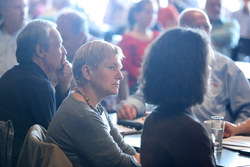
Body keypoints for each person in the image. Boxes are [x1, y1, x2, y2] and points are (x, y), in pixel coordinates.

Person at [117, 8, 250, 125]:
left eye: (206, 27)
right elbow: (143, 95)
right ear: (181, 34)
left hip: (216, 139)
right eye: (196, 28)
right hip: (169, 131)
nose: (203, 32)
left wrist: (233, 132)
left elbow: (247, 108)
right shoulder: (167, 62)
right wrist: (130, 106)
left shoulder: (227, 67)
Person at [46, 40, 141, 167]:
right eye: (112, 67)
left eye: (119, 68)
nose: (120, 76)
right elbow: (121, 164)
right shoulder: (82, 115)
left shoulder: (93, 106)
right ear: (87, 72)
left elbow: (124, 148)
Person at [0, 19, 72, 166]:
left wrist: (62, 87)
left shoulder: (11, 74)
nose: (64, 51)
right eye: (58, 46)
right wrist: (62, 89)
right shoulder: (38, 85)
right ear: (40, 51)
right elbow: (54, 141)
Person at [140, 28, 216, 166]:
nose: (209, 69)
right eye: (206, 63)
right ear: (192, 73)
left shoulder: (152, 120)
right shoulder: (191, 132)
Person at [118, 0, 160, 94]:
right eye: (148, 12)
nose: (152, 16)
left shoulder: (158, 37)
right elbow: (127, 69)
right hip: (135, 87)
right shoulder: (126, 40)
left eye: (154, 13)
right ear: (136, 15)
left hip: (156, 83)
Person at [0, 0, 28, 76]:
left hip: (18, 85)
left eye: (25, 6)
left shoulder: (29, 36)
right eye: (18, 7)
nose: (23, 12)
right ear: (4, 11)